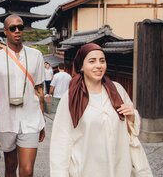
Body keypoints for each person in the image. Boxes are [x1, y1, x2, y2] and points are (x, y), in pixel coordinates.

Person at [50, 43, 150, 176]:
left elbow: (130, 128)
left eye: (102, 61)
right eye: (92, 61)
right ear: (81, 66)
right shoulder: (71, 98)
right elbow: (61, 141)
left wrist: (131, 116)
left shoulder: (117, 90)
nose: (98, 65)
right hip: (87, 169)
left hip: (118, 167)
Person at [0, 14, 46, 177]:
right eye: (12, 28)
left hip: (31, 119)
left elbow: (39, 89)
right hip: (5, 120)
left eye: (20, 27)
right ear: (5, 31)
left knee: (27, 170)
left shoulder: (36, 56)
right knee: (10, 167)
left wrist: (42, 120)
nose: (17, 31)